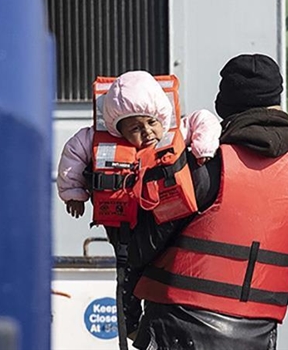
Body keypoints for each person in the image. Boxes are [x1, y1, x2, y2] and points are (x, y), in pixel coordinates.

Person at [129, 53, 288, 350]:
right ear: (277, 103)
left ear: (225, 107)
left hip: (176, 328)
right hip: (257, 335)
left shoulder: (206, 163)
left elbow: (144, 244)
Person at [56, 70, 223, 341]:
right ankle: (132, 326)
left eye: (150, 122)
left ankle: (155, 329)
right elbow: (72, 153)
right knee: (130, 277)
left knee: (157, 276)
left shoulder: (176, 128)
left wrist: (203, 148)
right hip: (125, 228)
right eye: (135, 128)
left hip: (163, 222)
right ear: (118, 129)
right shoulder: (93, 139)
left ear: (160, 115)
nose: (147, 132)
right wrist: (73, 193)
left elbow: (204, 120)